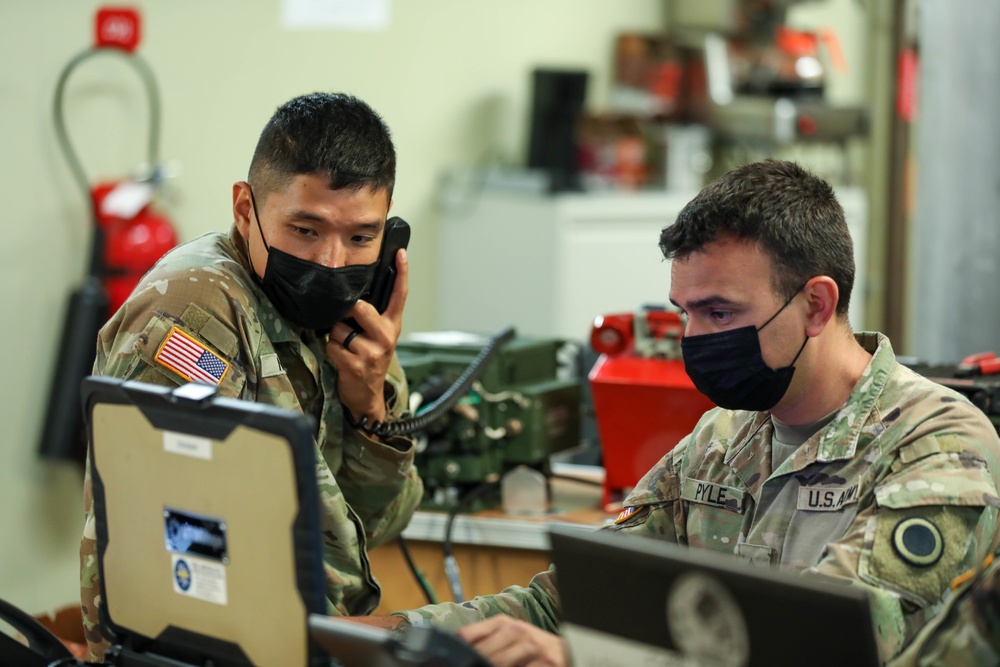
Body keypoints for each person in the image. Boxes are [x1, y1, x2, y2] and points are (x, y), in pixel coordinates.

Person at [375, 159, 1000, 665]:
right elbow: (573, 603)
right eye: (686, 312)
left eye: (720, 313)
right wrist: (398, 634)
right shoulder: (723, 438)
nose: (694, 339)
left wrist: (587, 662)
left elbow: (827, 646)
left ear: (815, 304)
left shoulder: (939, 446)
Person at [78, 92, 423, 661]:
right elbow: (169, 554)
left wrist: (370, 409)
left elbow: (373, 528)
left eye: (361, 237)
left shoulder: (347, 327)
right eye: (306, 230)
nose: (333, 264)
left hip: (308, 640)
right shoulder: (194, 311)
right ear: (245, 209)